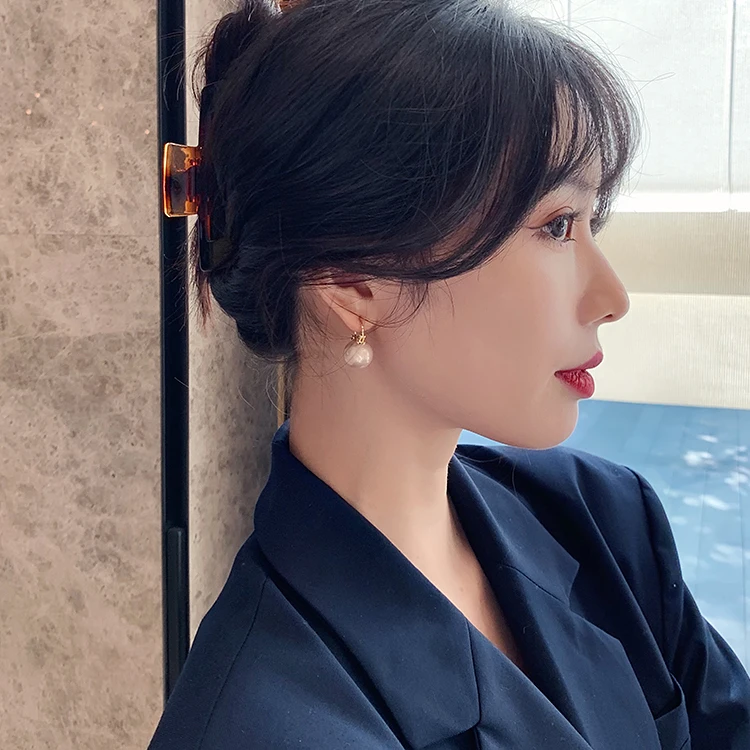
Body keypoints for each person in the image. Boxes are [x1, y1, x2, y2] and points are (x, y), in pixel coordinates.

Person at [149, 0, 750, 747]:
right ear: (354, 280)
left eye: (590, 222)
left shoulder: (606, 521)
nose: (613, 297)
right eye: (557, 225)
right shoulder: (265, 722)